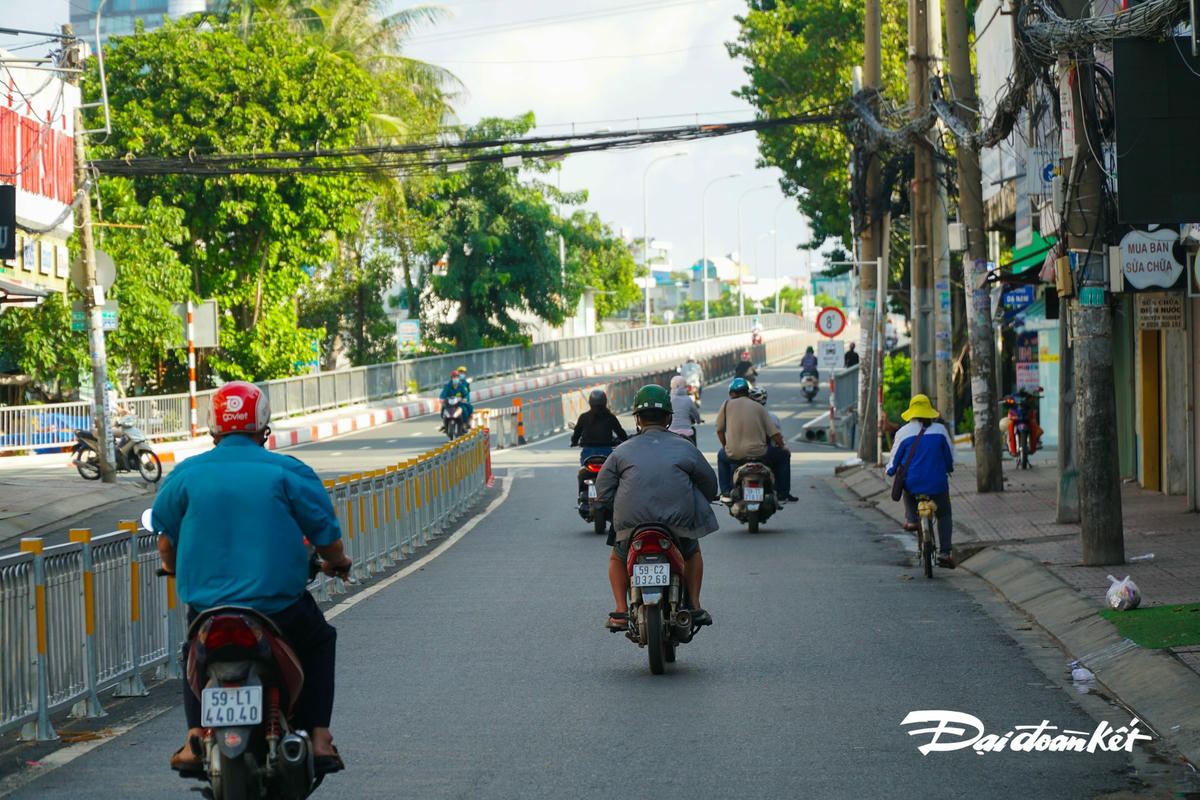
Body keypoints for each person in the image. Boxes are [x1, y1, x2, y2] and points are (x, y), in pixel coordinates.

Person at [152, 381, 352, 777]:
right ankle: (319, 736)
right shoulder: (288, 471)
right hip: (279, 608)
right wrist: (337, 562)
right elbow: (327, 537)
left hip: (208, 610)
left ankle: (195, 738)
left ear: (213, 428)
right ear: (264, 428)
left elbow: (164, 544)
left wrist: (174, 569)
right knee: (320, 640)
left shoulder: (186, 475)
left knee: (193, 650)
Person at [594, 384, 718, 630]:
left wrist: (617, 508)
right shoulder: (686, 447)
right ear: (669, 418)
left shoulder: (621, 451)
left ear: (638, 419)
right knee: (692, 551)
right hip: (678, 525)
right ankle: (694, 604)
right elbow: (709, 485)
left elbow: (603, 490)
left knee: (617, 557)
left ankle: (620, 611)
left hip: (631, 525)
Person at [886, 394, 956, 568]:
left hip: (913, 483)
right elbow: (949, 458)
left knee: (907, 489)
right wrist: (948, 468)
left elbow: (894, 461)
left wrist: (890, 470)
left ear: (912, 413)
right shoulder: (940, 430)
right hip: (938, 483)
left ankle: (911, 520)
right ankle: (945, 552)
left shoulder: (903, 432)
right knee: (944, 514)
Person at [715, 378, 796, 503]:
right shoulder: (759, 407)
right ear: (748, 393)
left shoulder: (726, 405)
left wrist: (724, 446)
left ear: (731, 394)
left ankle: (726, 492)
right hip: (759, 453)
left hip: (734, 454)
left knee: (721, 456)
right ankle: (783, 493)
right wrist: (782, 446)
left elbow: (720, 430)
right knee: (784, 456)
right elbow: (774, 433)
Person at [569, 388, 628, 462]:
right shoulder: (610, 417)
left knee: (582, 471)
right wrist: (626, 440)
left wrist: (574, 442)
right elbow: (620, 433)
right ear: (605, 402)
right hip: (606, 452)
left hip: (588, 453)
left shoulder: (584, 417)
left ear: (590, 402)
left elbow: (577, 433)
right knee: (614, 471)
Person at [668, 375, 703, 445]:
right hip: (687, 434)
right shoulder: (688, 399)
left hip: (671, 433)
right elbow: (695, 413)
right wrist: (698, 420)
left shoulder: (668, 399)